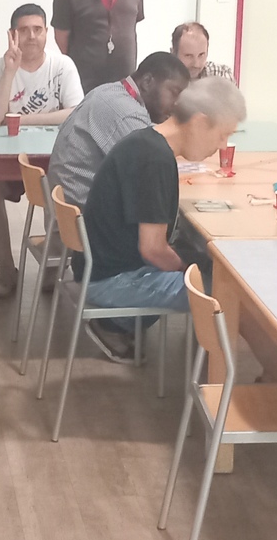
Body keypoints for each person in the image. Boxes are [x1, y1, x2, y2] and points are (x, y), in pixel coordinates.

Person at [79, 78, 245, 361]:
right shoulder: (153, 160)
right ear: (199, 122)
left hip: (101, 268)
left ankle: (121, 324)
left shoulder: (148, 141)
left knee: (216, 272)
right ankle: (238, 377)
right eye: (222, 135)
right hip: (112, 281)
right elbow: (153, 250)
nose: (222, 146)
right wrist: (190, 269)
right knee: (232, 292)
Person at [0, 3, 84, 299]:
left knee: (63, 187)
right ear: (12, 35)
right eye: (23, 30)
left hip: (54, 157)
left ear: (46, 32)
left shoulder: (62, 65)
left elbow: (75, 112)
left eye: (38, 30)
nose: (31, 36)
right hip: (9, 159)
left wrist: (23, 120)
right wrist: (10, 72)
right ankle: (5, 269)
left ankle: (54, 264)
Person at [46, 51, 191, 211]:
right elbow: (154, 172)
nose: (176, 104)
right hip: (85, 215)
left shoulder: (109, 91)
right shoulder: (128, 114)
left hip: (70, 211)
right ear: (147, 82)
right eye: (174, 93)